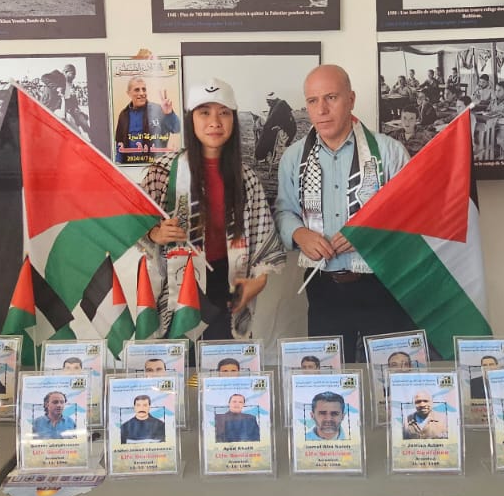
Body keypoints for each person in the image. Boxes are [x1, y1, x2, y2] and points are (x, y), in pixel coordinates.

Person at [276, 65, 413, 361]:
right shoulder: (293, 158)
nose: (322, 109)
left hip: (384, 282)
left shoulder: (389, 152)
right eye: (313, 101)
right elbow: (284, 210)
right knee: (330, 375)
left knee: (389, 372)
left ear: (351, 99)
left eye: (331, 97)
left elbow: (412, 214)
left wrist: (371, 231)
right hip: (323, 286)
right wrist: (299, 233)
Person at [141, 78, 285, 340]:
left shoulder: (246, 178)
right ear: (191, 120)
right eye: (204, 112)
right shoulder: (163, 171)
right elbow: (135, 226)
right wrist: (154, 234)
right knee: (180, 359)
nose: (215, 122)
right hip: (177, 285)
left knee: (226, 360)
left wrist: (257, 280)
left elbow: (265, 243)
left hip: (228, 284)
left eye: (224, 113)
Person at [114, 77, 180, 163]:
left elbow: (177, 129)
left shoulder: (158, 110)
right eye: (137, 90)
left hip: (155, 165)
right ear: (129, 93)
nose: (142, 93)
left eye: (144, 89)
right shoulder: (123, 115)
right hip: (129, 165)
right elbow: (119, 143)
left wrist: (169, 114)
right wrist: (118, 163)